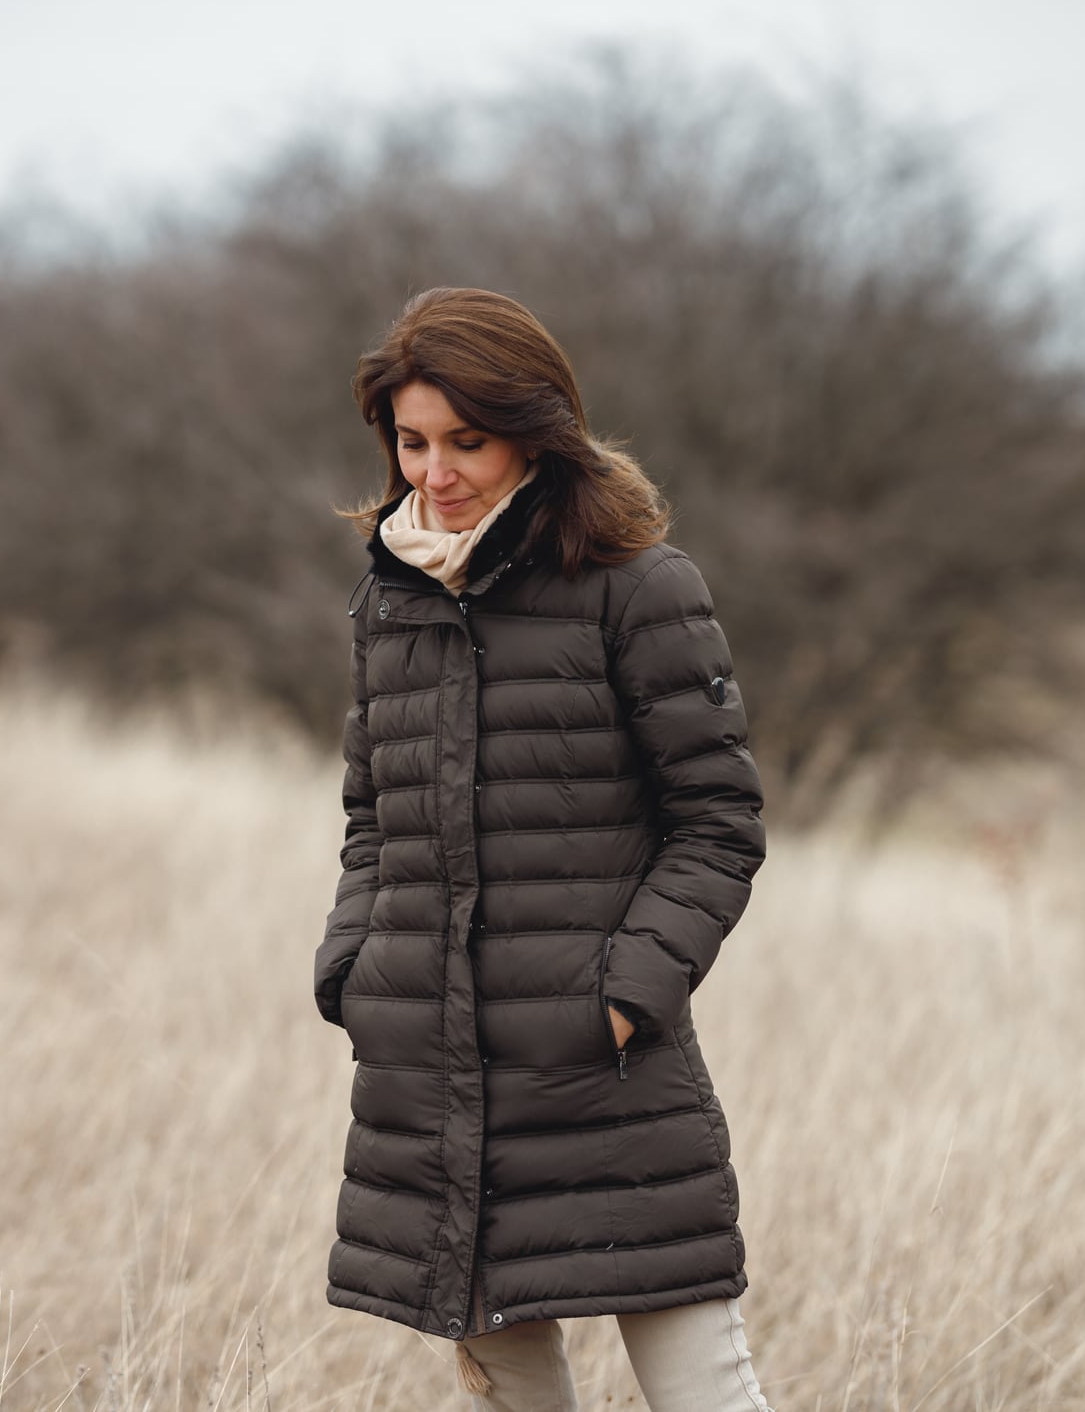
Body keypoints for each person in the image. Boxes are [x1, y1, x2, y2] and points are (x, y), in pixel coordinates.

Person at [313, 287, 773, 1411]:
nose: (435, 472)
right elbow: (372, 817)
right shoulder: (389, 606)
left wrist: (623, 995)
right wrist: (353, 971)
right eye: (413, 443)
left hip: (602, 1067)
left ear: (536, 427)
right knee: (511, 1396)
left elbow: (717, 822)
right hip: (429, 1067)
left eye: (467, 440)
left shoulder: (638, 588)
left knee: (704, 1390)